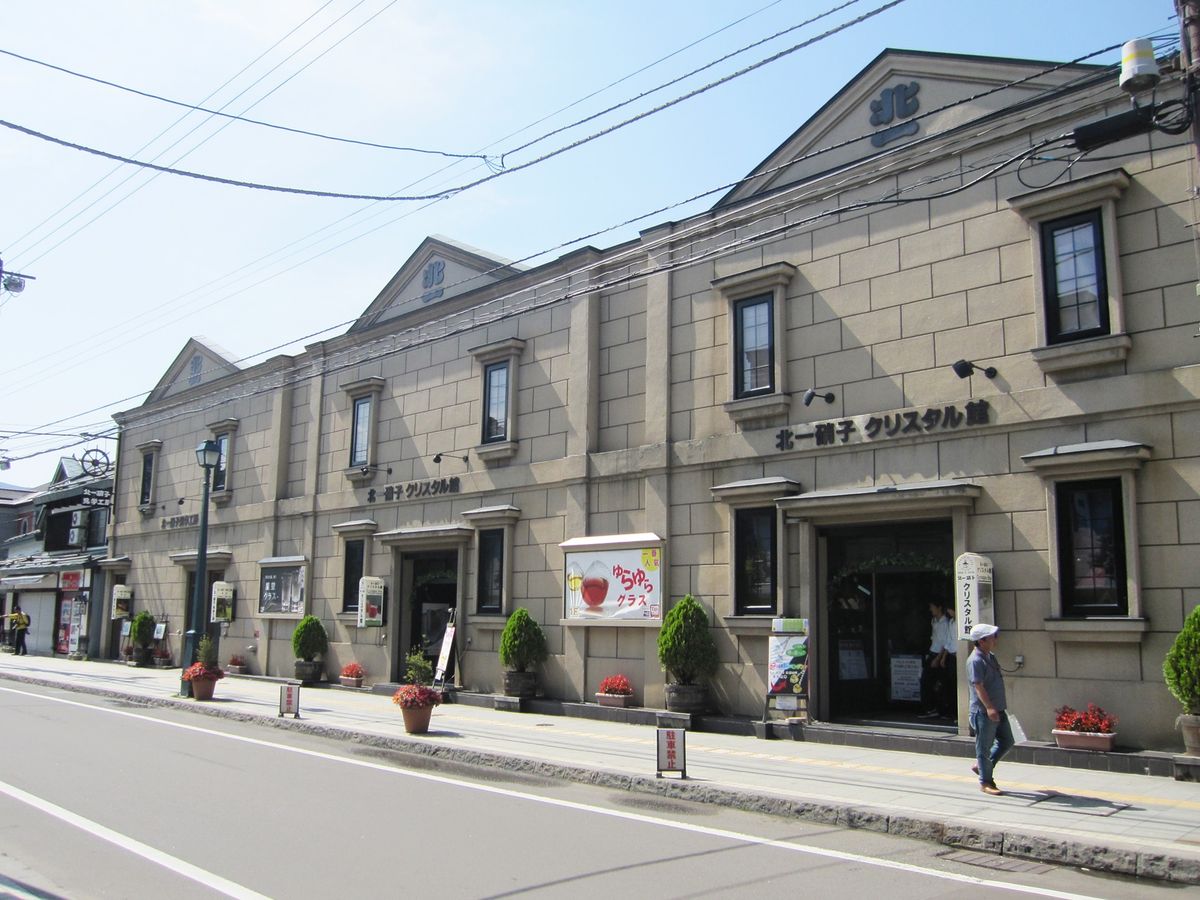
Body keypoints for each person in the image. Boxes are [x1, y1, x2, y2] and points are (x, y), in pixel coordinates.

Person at [967, 622, 1012, 795]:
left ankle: (982, 767)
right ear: (982, 641)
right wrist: (989, 708)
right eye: (992, 637)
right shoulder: (976, 660)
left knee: (1007, 740)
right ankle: (986, 782)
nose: (995, 639)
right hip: (984, 711)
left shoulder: (990, 656)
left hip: (998, 708)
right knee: (983, 748)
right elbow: (978, 686)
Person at [919, 601, 956, 719]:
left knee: (942, 683)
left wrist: (940, 658)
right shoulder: (935, 621)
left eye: (932, 607)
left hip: (940, 654)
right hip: (933, 652)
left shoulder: (946, 622)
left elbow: (946, 642)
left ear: (939, 608)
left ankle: (942, 709)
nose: (931, 610)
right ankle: (932, 708)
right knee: (927, 681)